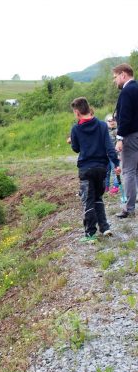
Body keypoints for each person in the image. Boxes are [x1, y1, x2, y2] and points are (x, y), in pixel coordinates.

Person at [70, 97, 121, 242]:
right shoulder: (102, 125)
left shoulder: (76, 129)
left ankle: (90, 233)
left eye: (74, 112)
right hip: (101, 168)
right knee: (98, 198)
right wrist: (116, 164)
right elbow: (109, 147)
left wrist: (72, 140)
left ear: (77, 112)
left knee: (88, 200)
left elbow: (76, 148)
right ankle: (105, 228)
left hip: (86, 169)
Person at [112, 63, 138, 218]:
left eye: (115, 77)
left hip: (131, 136)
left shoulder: (127, 91)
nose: (115, 81)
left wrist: (120, 138)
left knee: (128, 171)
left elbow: (126, 117)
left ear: (123, 74)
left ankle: (129, 208)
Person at [104, 114, 119, 194]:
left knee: (114, 170)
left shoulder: (118, 130)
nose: (112, 122)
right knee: (106, 171)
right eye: (109, 121)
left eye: (113, 120)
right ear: (106, 122)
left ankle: (115, 186)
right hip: (106, 154)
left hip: (114, 154)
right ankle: (106, 186)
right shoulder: (105, 131)